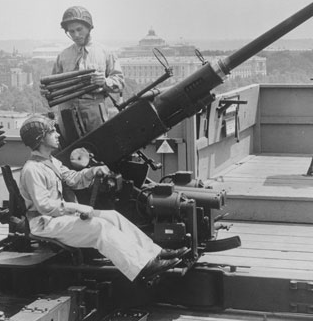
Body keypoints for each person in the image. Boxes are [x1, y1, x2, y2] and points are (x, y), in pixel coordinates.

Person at [18, 114, 187, 281]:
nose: (57, 134)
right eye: (52, 132)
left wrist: (92, 171)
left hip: (59, 217)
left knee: (113, 216)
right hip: (45, 223)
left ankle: (154, 253)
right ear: (40, 139)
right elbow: (44, 206)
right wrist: (77, 207)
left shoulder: (51, 161)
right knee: (99, 227)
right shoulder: (32, 169)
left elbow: (72, 179)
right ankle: (142, 266)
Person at [52, 6, 124, 137]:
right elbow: (54, 86)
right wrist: (47, 91)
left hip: (94, 110)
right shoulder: (63, 56)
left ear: (89, 27)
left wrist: (105, 82)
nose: (76, 35)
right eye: (71, 31)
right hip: (67, 112)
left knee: (98, 147)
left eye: (79, 29)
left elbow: (119, 82)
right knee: (70, 152)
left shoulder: (105, 52)